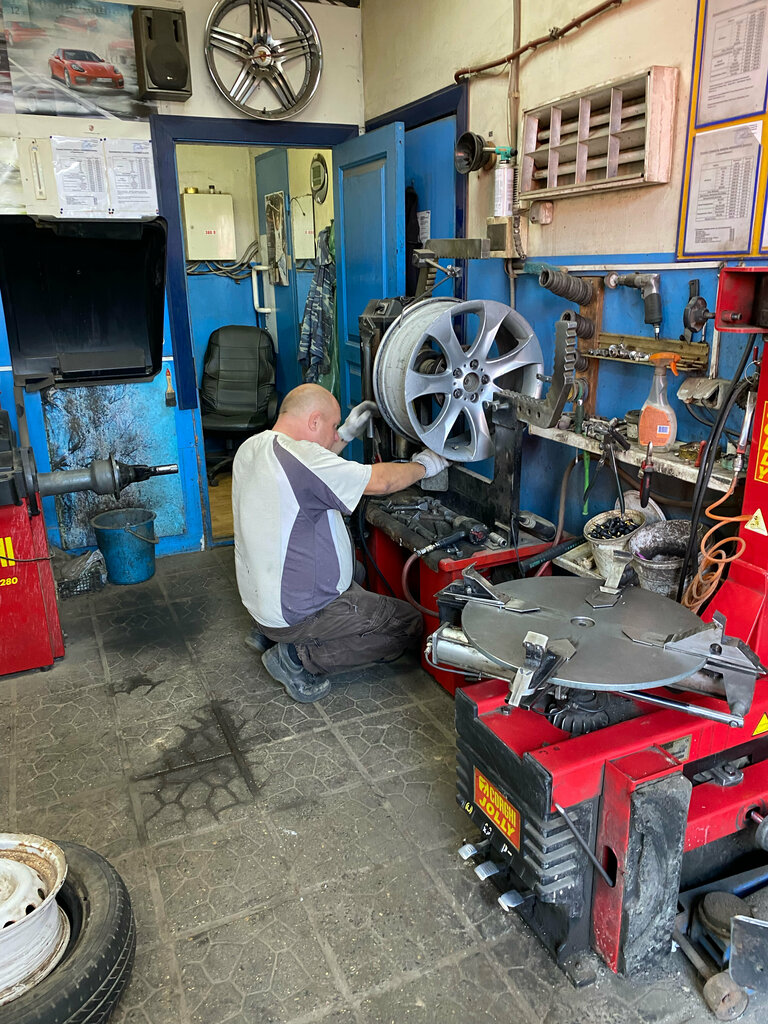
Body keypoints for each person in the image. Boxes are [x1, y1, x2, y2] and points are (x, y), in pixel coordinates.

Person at [232, 383, 450, 703]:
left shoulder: (253, 448)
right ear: (314, 420)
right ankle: (296, 657)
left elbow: (314, 468)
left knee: (356, 572)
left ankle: (268, 633)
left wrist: (345, 434)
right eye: (333, 426)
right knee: (406, 624)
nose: (335, 434)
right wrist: (426, 465)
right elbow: (382, 481)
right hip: (297, 612)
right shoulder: (302, 458)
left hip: (263, 601)